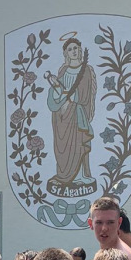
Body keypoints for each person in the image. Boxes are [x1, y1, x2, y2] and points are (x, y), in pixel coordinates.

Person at [45, 35, 98, 198]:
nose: (73, 51)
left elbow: (86, 95)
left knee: (78, 144)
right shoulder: (63, 70)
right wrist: (56, 87)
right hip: (62, 116)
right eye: (70, 49)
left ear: (80, 50)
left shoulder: (86, 70)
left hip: (76, 113)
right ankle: (64, 176)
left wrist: (71, 98)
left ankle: (80, 176)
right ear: (66, 53)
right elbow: (58, 91)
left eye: (76, 48)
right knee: (64, 148)